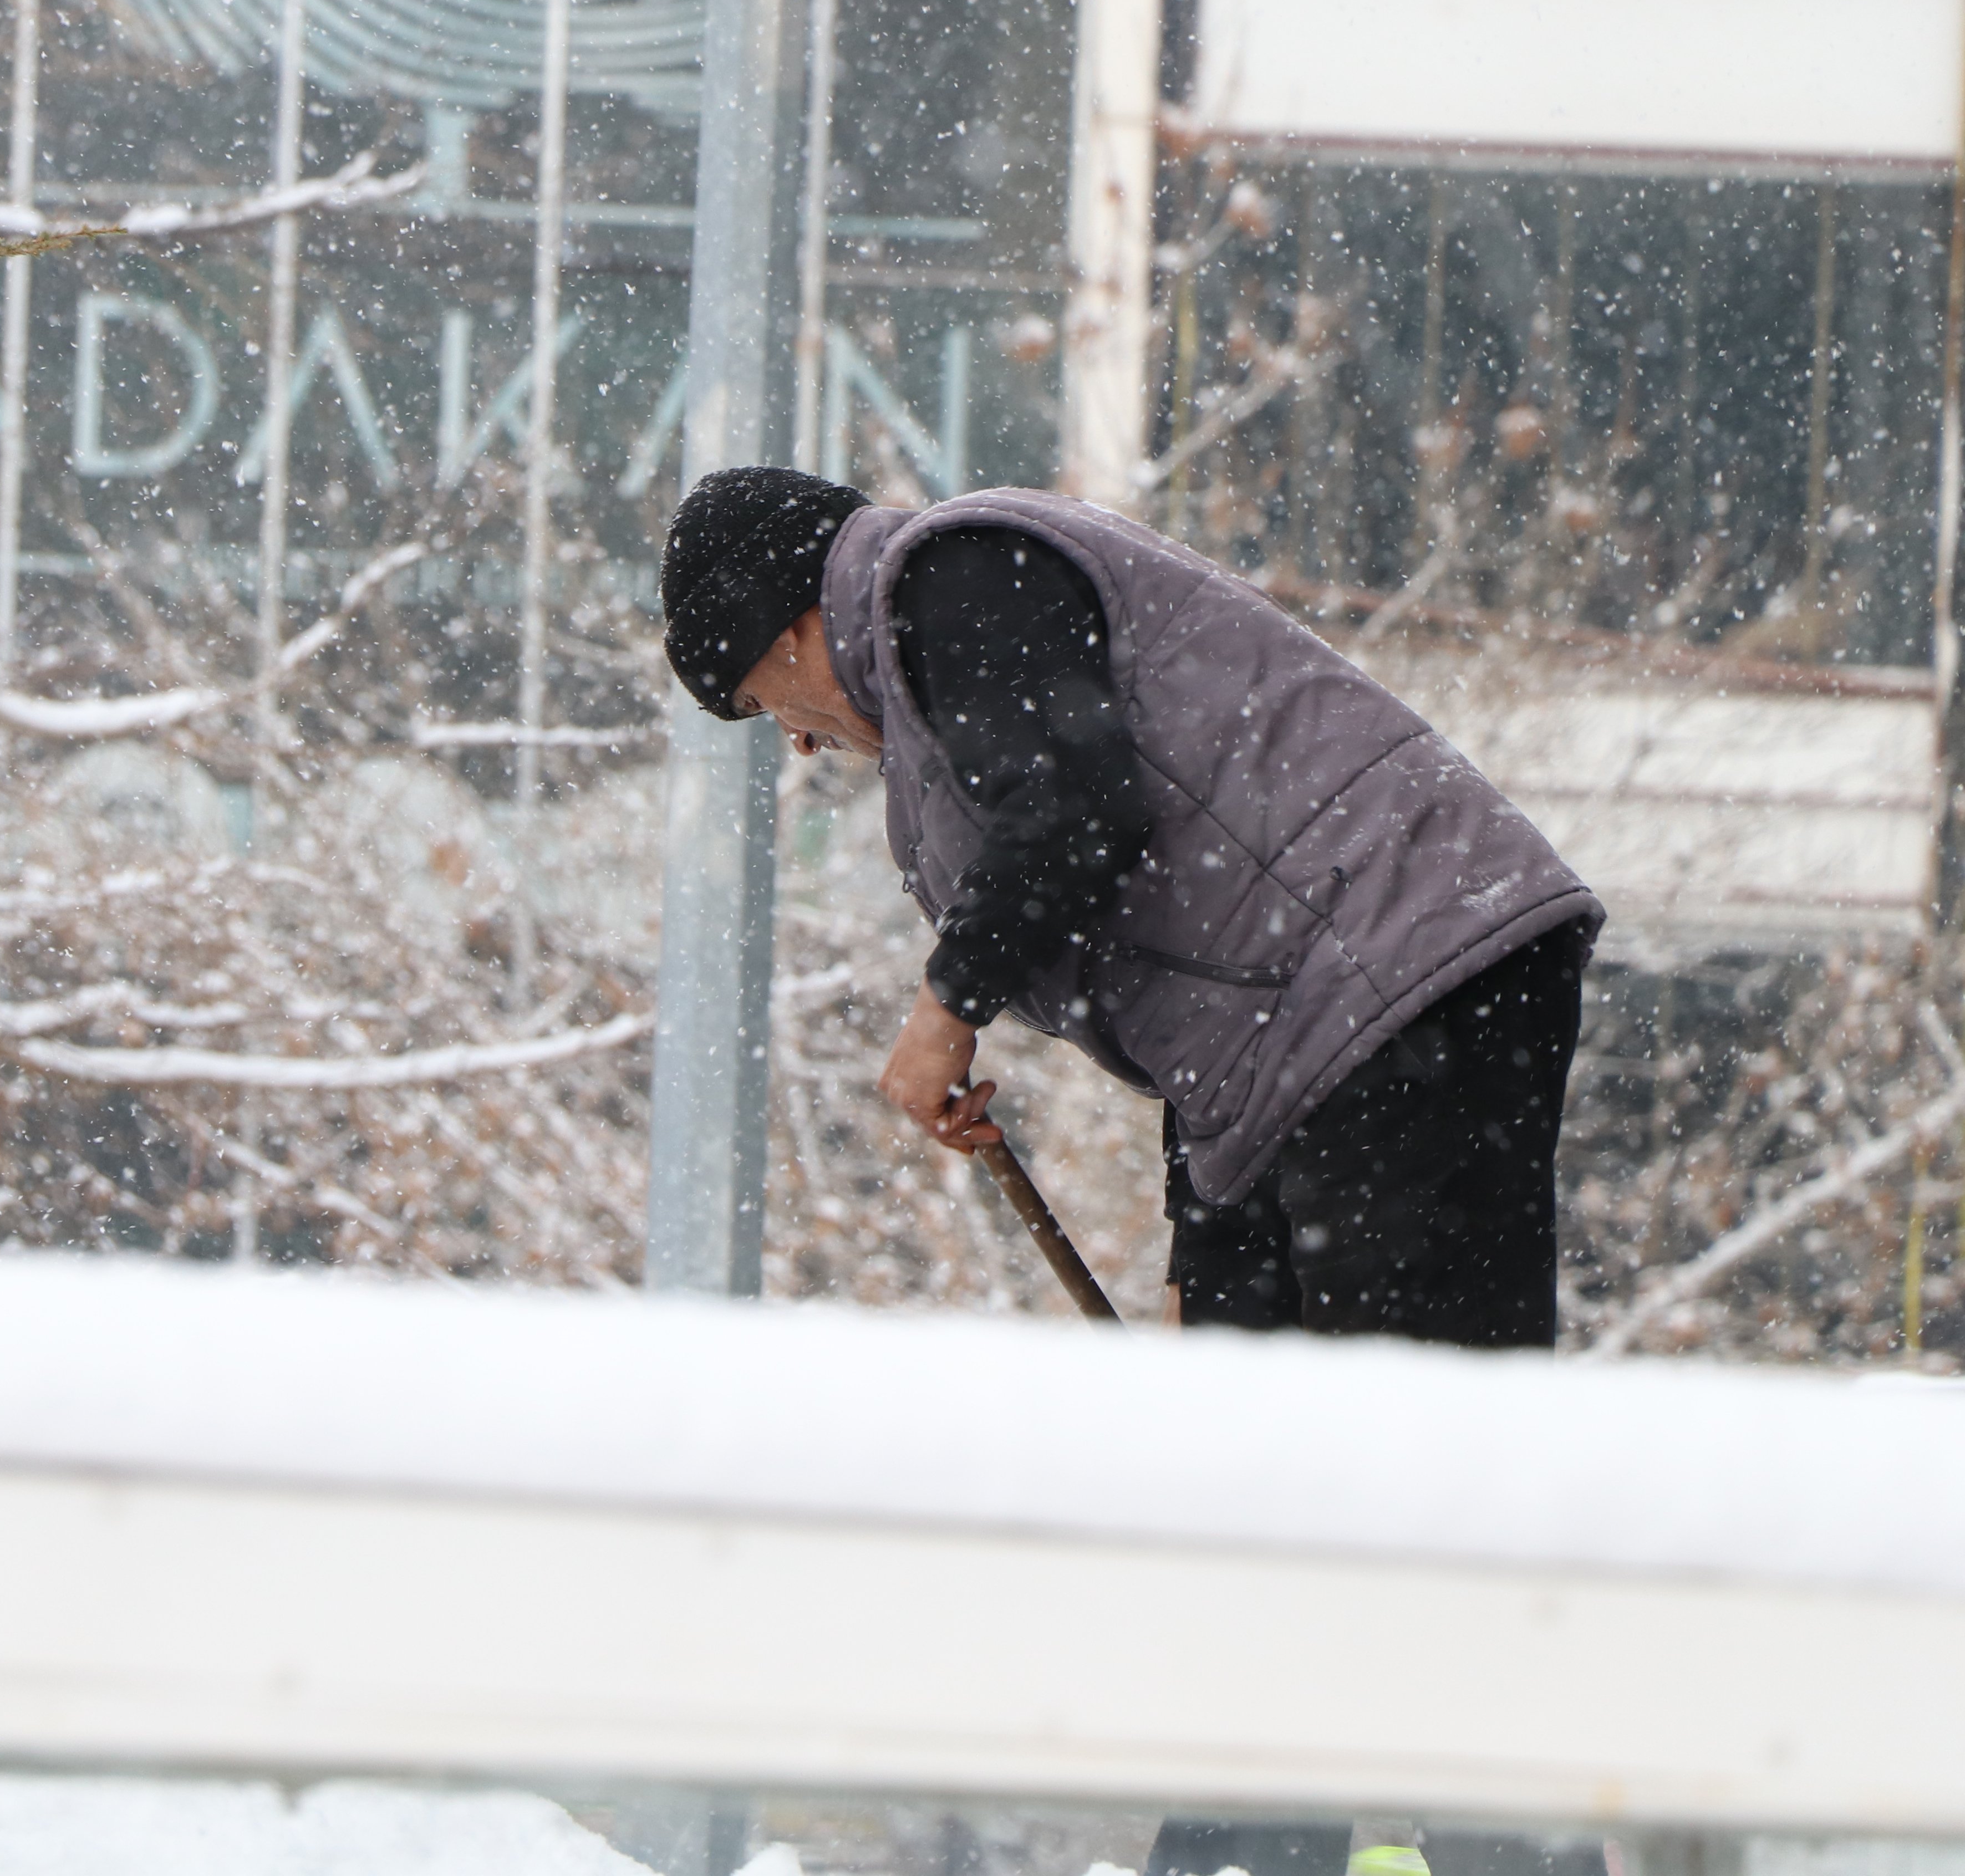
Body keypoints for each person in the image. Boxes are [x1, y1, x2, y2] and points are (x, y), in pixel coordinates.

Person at [660, 467, 1607, 1876]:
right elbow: (1207, 1003)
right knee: (1269, 1515)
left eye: (759, 709)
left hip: (1413, 995)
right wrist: (1205, 1269)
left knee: (1417, 1504)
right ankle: (1243, 1849)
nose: (796, 748)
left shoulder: (950, 577)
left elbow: (1077, 816)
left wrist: (948, 1004)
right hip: (1333, 1044)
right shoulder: (946, 657)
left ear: (788, 633)